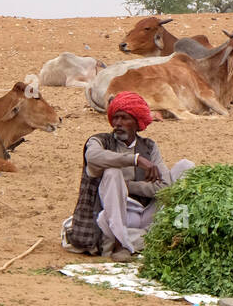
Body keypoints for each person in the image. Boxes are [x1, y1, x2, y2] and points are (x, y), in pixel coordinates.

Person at [63, 91, 193, 261]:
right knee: (112, 172)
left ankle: (179, 234)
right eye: (115, 118)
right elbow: (93, 157)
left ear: (137, 122)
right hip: (118, 215)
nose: (118, 123)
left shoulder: (149, 146)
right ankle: (120, 242)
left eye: (124, 118)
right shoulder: (99, 141)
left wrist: (128, 186)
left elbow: (164, 186)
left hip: (147, 212)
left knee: (186, 167)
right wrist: (135, 160)